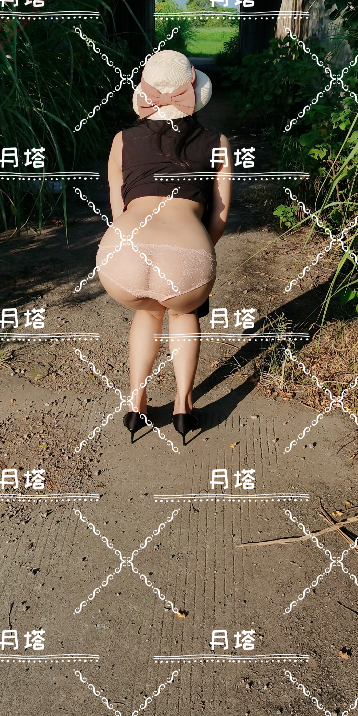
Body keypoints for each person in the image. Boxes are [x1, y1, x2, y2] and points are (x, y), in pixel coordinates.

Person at [96, 49, 232, 444]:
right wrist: (199, 251)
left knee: (148, 311)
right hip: (186, 255)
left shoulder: (122, 140)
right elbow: (220, 217)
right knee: (183, 311)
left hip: (122, 254)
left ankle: (135, 403)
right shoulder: (217, 142)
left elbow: (118, 210)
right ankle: (183, 407)